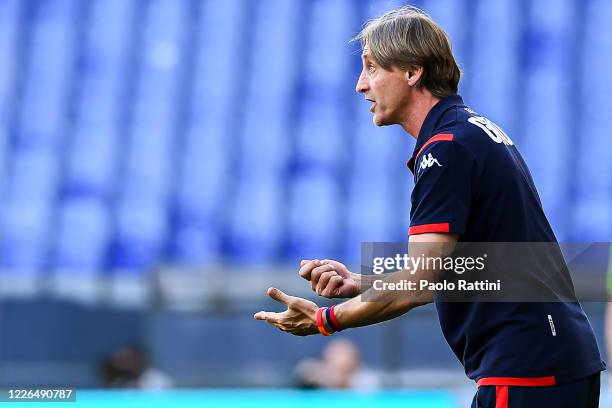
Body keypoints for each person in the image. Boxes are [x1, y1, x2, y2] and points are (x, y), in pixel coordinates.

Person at [254, 6, 605, 407]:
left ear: (411, 71)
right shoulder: (471, 132)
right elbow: (480, 268)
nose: (360, 85)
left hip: (527, 368)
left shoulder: (445, 150)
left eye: (371, 68)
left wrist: (323, 320)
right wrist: (365, 282)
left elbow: (419, 284)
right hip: (552, 359)